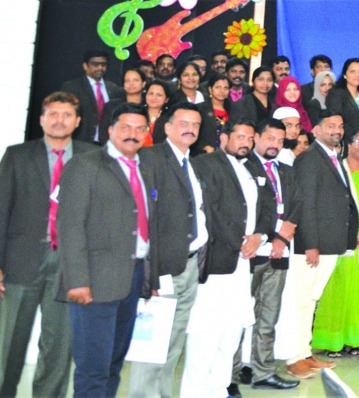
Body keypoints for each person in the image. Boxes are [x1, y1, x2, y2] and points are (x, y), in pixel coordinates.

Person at [0, 92, 98, 398]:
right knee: (9, 343)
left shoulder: (90, 157)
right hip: (22, 260)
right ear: (42, 119)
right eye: (53, 114)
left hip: (70, 266)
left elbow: (97, 215)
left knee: (59, 346)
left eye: (67, 115)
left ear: (78, 122)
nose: (59, 120)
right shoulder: (17, 155)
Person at [57, 103, 156, 397]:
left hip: (133, 275)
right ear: (111, 130)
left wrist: (151, 279)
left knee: (114, 362)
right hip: (94, 281)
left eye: (140, 129)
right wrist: (77, 280)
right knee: (93, 367)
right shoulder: (85, 165)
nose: (132, 134)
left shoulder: (145, 168)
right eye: (125, 127)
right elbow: (70, 225)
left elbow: (149, 225)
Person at [182, 120, 275, 397]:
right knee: (206, 333)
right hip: (217, 261)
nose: (245, 142)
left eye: (249, 137)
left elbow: (268, 205)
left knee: (232, 331)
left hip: (243, 262)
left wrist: (260, 236)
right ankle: (195, 392)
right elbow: (209, 211)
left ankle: (219, 388)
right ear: (224, 137)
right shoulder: (206, 164)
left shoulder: (252, 167)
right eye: (239, 136)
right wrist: (239, 244)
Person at [126, 102, 210, 397]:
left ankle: (162, 394)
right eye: (184, 123)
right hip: (162, 268)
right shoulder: (150, 159)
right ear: (168, 127)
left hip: (189, 266)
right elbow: (144, 220)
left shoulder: (192, 163)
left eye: (196, 125)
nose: (190, 129)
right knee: (152, 343)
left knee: (173, 342)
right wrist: (151, 276)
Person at [278, 110, 359, 377]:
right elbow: (305, 205)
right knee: (299, 300)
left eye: (340, 125)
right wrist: (309, 243)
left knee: (310, 300)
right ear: (316, 130)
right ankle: (293, 357)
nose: (337, 129)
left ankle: (304, 351)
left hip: (330, 244)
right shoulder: (310, 159)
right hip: (312, 247)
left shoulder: (334, 158)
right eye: (331, 125)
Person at [231, 119, 301, 389]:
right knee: (239, 316)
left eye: (280, 140)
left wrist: (282, 237)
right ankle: (232, 375)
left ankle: (263, 371)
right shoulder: (242, 167)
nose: (275, 145)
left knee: (269, 315)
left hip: (279, 251)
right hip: (249, 253)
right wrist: (269, 235)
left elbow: (296, 204)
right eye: (270, 138)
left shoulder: (286, 171)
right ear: (257, 138)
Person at [311, 131, 359, 358]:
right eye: (358, 142)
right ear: (349, 144)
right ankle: (330, 340)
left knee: (357, 289)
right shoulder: (337, 167)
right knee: (333, 287)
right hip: (337, 238)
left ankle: (355, 339)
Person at [62, 50, 123, 143]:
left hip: (107, 144)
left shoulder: (113, 88)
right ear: (85, 66)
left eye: (103, 64)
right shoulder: (72, 87)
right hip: (80, 142)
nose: (100, 68)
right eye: (95, 64)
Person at [325, 59, 359, 139]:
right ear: (345, 74)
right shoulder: (336, 94)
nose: (357, 75)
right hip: (345, 140)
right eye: (352, 71)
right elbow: (335, 120)